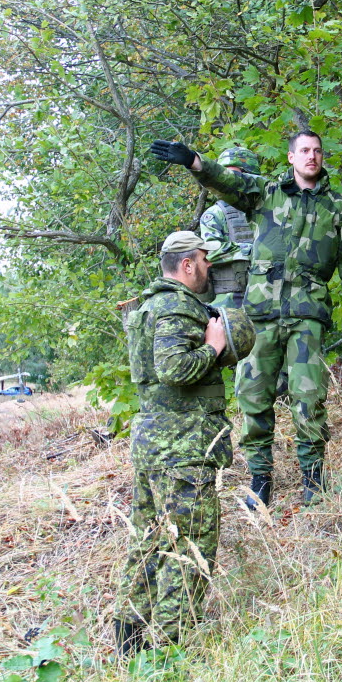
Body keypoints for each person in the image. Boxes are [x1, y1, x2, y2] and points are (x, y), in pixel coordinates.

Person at [150, 132, 342, 507]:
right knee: (253, 397)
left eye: (317, 150)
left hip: (307, 313)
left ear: (322, 156)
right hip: (260, 315)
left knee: (308, 397)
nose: (311, 157)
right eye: (304, 151)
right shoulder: (267, 194)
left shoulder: (337, 207)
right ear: (291, 157)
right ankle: (260, 479)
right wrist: (194, 162)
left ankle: (313, 479)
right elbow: (227, 180)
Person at [114, 230, 230, 655]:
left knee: (147, 541)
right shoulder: (178, 306)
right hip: (183, 446)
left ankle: (128, 645)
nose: (208, 266)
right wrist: (214, 348)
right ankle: (168, 652)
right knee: (190, 549)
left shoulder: (146, 306)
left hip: (152, 444)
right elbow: (174, 369)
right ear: (187, 265)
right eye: (204, 258)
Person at [199, 146, 261, 309]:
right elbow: (212, 252)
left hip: (267, 297)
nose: (226, 179)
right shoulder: (215, 214)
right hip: (230, 299)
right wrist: (254, 250)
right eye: (222, 173)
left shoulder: (269, 209)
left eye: (234, 174)